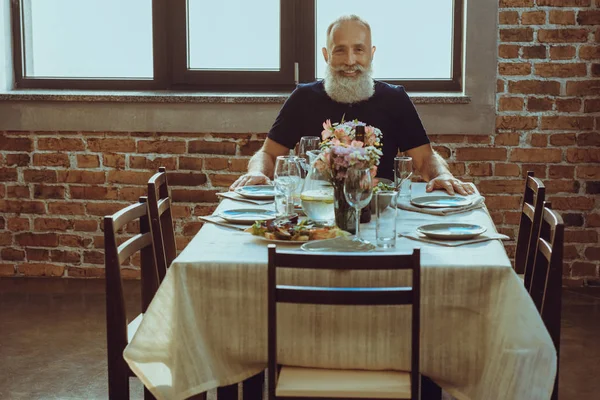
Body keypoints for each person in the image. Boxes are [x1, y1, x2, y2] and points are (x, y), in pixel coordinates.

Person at [230, 14, 474, 196]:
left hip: (381, 210)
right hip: (317, 212)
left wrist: (442, 175)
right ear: (326, 55)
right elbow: (269, 154)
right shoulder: (302, 97)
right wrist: (257, 172)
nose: (350, 61)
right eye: (340, 51)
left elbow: (424, 160)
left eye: (359, 50)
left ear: (372, 53)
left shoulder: (395, 98)